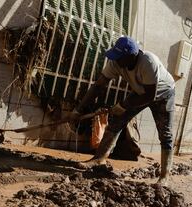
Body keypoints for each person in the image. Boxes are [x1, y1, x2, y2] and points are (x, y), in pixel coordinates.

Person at [71, 36, 175, 185]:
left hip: (163, 93)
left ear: (131, 56)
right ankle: (99, 159)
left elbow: (150, 96)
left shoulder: (148, 62)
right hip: (141, 91)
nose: (116, 61)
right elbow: (98, 85)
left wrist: (124, 105)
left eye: (119, 58)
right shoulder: (116, 62)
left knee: (165, 134)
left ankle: (165, 176)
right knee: (117, 120)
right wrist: (78, 110)